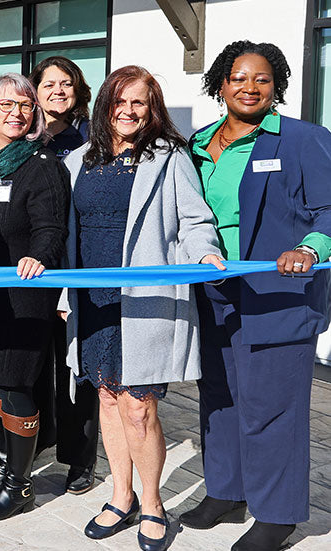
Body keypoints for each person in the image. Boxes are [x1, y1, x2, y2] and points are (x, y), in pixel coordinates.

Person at [57, 65, 225, 551]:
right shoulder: (78, 163)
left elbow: (194, 219)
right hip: (92, 300)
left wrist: (205, 253)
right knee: (107, 398)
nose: (129, 111)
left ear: (152, 111)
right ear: (106, 103)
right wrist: (67, 297)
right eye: (121, 101)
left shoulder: (169, 158)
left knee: (138, 406)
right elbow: (69, 237)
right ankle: (120, 495)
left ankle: (153, 503)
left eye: (140, 103)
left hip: (144, 301)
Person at [181, 41, 331, 551]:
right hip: (215, 289)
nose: (250, 87)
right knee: (220, 397)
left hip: (278, 293)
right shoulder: (198, 144)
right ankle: (227, 491)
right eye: (239, 77)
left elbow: (329, 212)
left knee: (272, 406)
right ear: (220, 83)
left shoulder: (303, 139)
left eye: (262, 79)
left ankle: (277, 514)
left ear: (277, 86)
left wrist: (308, 249)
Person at [0, 73, 69, 522]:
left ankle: (20, 487)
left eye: (24, 106)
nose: (16, 113)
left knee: (18, 382)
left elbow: (51, 227)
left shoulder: (43, 164)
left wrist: (38, 256)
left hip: (25, 292)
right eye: (5, 105)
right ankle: (4, 471)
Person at [29, 55, 98, 495]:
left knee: (79, 371)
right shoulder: (22, 136)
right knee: (32, 367)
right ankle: (34, 445)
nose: (57, 91)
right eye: (48, 83)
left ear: (78, 91)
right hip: (33, 273)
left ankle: (80, 460)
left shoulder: (94, 140)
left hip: (75, 269)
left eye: (66, 84)